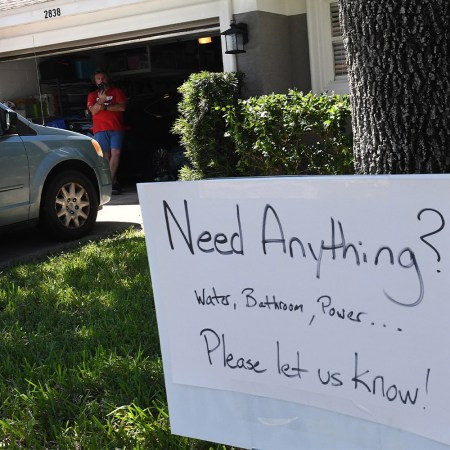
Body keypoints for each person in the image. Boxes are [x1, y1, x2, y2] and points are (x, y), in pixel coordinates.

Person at [87, 69, 127, 194]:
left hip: (116, 127)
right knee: (106, 156)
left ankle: (108, 183)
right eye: (98, 79)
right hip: (99, 129)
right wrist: (100, 100)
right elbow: (93, 111)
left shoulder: (117, 92)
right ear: (95, 81)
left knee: (116, 152)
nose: (101, 80)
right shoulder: (92, 95)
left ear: (107, 79)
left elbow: (122, 107)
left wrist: (103, 106)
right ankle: (113, 182)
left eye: (103, 78)